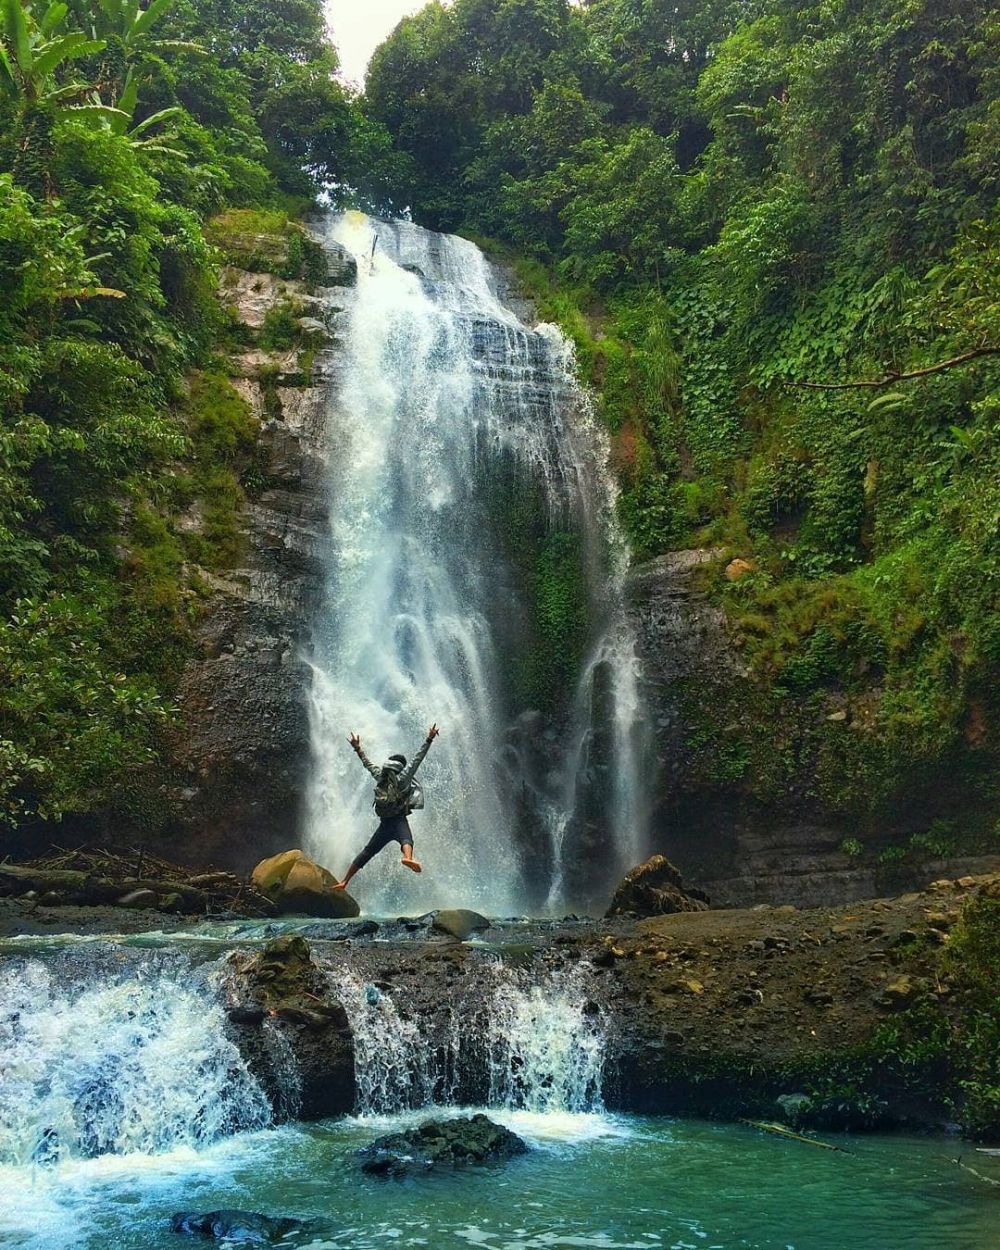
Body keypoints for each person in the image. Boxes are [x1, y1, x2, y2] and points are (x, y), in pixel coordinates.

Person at [334, 723, 440, 891]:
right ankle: (407, 858)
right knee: (407, 840)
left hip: (384, 823)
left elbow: (367, 764)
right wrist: (430, 738)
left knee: (367, 852)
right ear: (402, 766)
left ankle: (344, 881)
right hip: (398, 820)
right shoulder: (404, 777)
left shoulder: (380, 776)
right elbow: (417, 759)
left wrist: (357, 748)